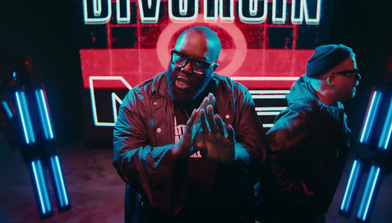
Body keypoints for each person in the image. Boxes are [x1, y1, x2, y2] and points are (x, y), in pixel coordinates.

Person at [113, 26, 266, 223]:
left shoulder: (236, 96)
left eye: (199, 64)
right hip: (160, 215)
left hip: (221, 213)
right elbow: (124, 158)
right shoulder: (140, 98)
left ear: (213, 69)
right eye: (180, 56)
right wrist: (174, 153)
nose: (185, 67)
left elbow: (260, 153)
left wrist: (234, 155)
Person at [256, 44, 361, 223]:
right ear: (332, 79)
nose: (357, 79)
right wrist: (296, 192)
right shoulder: (302, 116)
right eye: (352, 73)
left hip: (308, 213)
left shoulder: (333, 109)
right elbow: (265, 155)